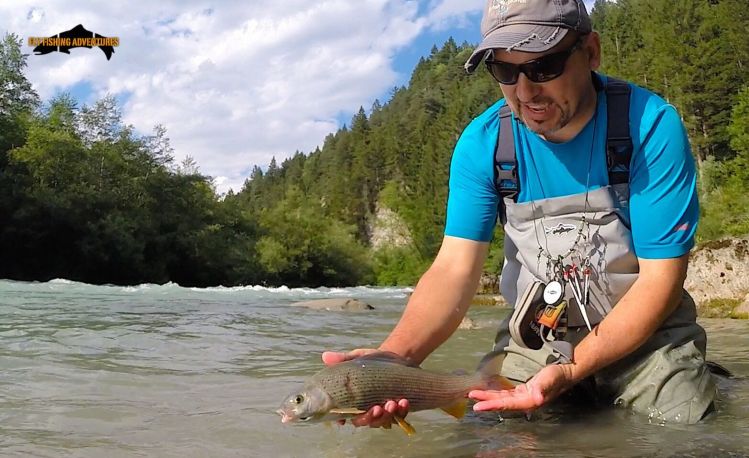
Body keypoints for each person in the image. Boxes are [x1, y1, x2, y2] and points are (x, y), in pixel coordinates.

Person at [323, 0, 716, 426]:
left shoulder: (650, 126)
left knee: (682, 434)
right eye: (505, 71)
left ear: (592, 52)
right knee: (489, 439)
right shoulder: (483, 144)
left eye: (544, 66)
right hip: (537, 339)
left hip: (648, 340)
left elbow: (662, 281)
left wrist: (571, 370)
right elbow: (454, 271)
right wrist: (395, 360)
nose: (525, 91)